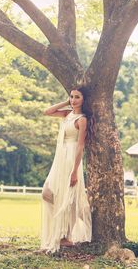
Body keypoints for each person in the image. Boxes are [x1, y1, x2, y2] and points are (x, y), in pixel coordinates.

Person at [40, 87, 92, 253]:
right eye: (72, 96)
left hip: (71, 159)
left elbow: (80, 146)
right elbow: (47, 112)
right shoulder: (67, 114)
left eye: (77, 97)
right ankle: (60, 232)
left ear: (84, 100)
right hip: (60, 157)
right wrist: (66, 102)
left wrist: (75, 171)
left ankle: (66, 236)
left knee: (68, 197)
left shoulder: (82, 120)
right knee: (47, 193)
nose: (74, 99)